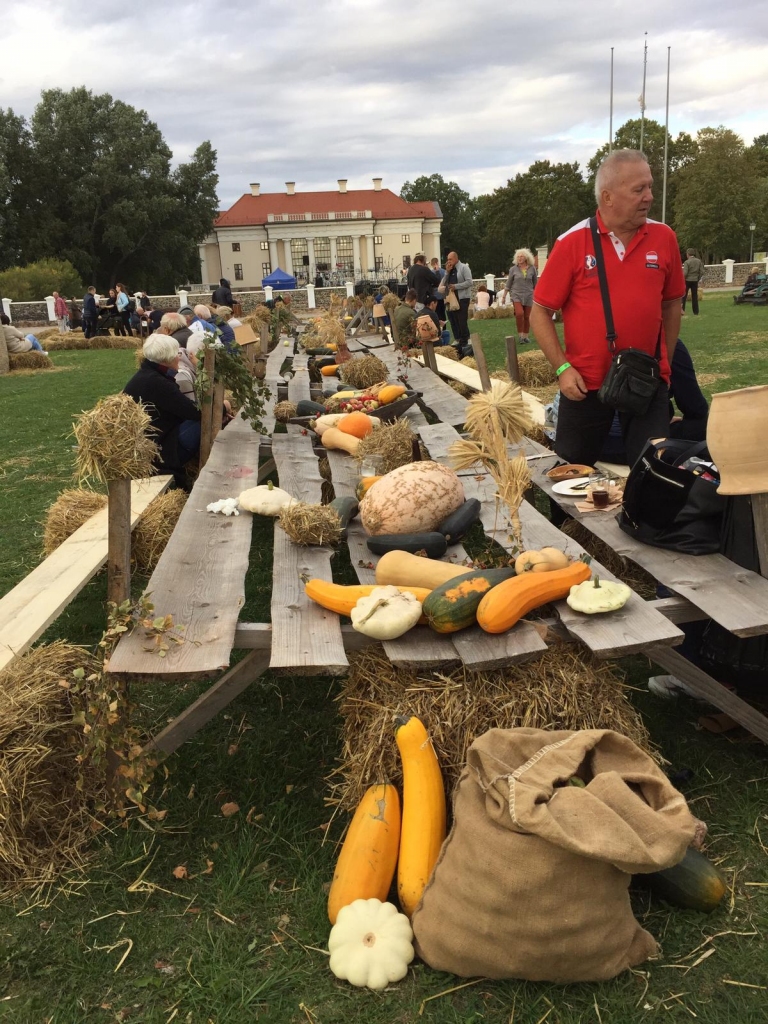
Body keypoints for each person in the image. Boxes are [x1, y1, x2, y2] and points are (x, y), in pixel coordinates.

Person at [530, 148, 684, 470]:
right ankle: (566, 524)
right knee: (571, 472)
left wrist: (663, 364)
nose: (649, 197)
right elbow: (539, 313)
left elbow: (671, 304)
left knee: (651, 475)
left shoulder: (664, 237)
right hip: (584, 386)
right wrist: (562, 369)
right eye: (639, 189)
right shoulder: (572, 242)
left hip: (646, 381)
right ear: (608, 197)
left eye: (650, 187)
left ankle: (640, 522)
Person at [123, 334, 202, 490]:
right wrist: (225, 407)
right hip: (159, 449)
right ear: (168, 358)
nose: (179, 357)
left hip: (150, 441)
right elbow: (194, 413)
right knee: (205, 419)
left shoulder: (147, 375)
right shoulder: (158, 383)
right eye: (177, 354)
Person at [439, 251, 473, 357]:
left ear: (456, 258)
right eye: (447, 259)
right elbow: (443, 283)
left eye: (450, 259)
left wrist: (456, 286)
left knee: (461, 320)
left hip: (462, 298)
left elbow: (469, 282)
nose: (448, 261)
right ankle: (458, 340)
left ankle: (465, 341)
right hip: (451, 299)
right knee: (453, 320)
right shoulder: (449, 270)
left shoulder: (463, 268)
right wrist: (447, 272)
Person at [501, 248, 538, 343]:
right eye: (518, 257)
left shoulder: (532, 268)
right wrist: (504, 296)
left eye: (521, 256)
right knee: (519, 314)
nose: (519, 258)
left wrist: (537, 296)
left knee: (527, 316)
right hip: (516, 294)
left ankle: (525, 336)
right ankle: (520, 335)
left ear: (526, 258)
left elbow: (535, 284)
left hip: (529, 295)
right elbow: (508, 284)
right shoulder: (513, 269)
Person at [681, 248, 705, 316]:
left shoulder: (687, 262)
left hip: (687, 280)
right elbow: (702, 271)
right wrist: (698, 278)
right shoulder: (699, 261)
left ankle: (682, 310)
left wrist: (683, 279)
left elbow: (685, 273)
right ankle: (696, 312)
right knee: (694, 296)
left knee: (684, 296)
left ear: (688, 254)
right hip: (695, 280)